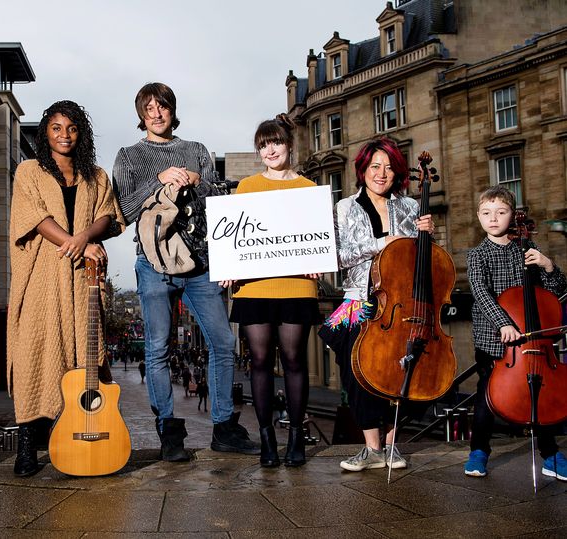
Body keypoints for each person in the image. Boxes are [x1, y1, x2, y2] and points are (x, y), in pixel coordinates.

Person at [112, 82, 258, 461]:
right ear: (141, 114)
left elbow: (219, 202)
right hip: (153, 263)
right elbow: (122, 212)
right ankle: (169, 432)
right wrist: (157, 180)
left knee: (222, 342)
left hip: (199, 263)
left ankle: (224, 428)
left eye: (162, 107)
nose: (156, 114)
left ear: (172, 110)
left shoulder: (196, 150)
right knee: (157, 348)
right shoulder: (128, 156)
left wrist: (198, 181)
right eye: (148, 108)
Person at [8, 100, 123, 477]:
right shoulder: (29, 170)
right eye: (56, 128)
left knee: (86, 355)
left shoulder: (96, 175)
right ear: (45, 133)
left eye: (72, 128)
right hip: (43, 275)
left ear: (81, 134)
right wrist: (75, 243)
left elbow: (108, 216)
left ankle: (84, 438)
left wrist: (84, 238)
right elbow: (34, 217)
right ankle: (28, 446)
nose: (64, 135)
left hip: (84, 278)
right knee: (35, 354)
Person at [318, 137, 434, 472]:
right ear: (363, 170)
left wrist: (428, 235)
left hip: (401, 303)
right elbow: (336, 257)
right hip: (358, 299)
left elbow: (421, 260)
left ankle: (391, 446)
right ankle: (371, 449)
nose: (381, 173)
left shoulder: (411, 207)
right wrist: (379, 243)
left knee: (405, 371)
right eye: (375, 166)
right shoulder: (344, 208)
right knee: (354, 369)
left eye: (388, 167)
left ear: (397, 172)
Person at [222, 114, 321, 468]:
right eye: (263, 145)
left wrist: (317, 258)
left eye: (276, 142)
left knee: (294, 361)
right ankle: (267, 440)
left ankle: (296, 438)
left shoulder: (309, 188)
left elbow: (317, 236)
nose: (271, 150)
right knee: (260, 362)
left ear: (289, 144)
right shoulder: (247, 187)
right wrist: (228, 266)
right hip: (254, 288)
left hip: (296, 285)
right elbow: (235, 237)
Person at [464, 186, 567, 479]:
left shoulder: (526, 247)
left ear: (513, 214)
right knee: (487, 395)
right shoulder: (477, 255)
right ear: (478, 216)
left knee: (540, 393)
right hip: (495, 340)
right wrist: (503, 323)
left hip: (532, 338)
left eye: (501, 212)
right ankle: (479, 451)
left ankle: (550, 455)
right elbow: (481, 293)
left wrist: (548, 266)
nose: (493, 218)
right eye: (487, 213)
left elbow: (555, 292)